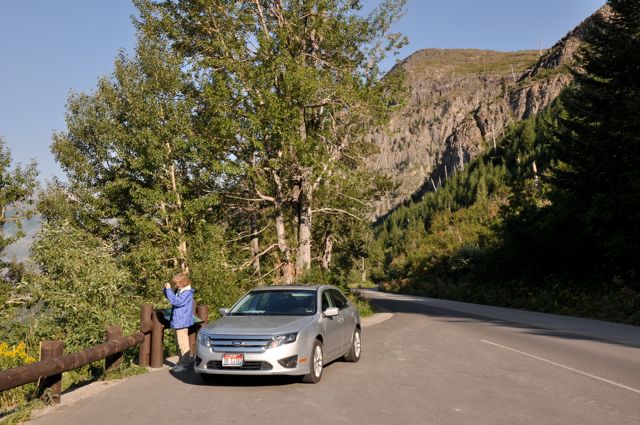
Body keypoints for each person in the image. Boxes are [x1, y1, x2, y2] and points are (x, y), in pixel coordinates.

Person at [163, 273, 195, 372]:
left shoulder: (187, 293)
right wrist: (166, 290)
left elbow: (176, 302)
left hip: (182, 322)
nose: (175, 285)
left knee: (183, 344)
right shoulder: (181, 291)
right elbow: (172, 298)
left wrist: (169, 290)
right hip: (178, 321)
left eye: (176, 283)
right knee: (178, 344)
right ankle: (180, 362)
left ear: (182, 282)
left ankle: (184, 365)